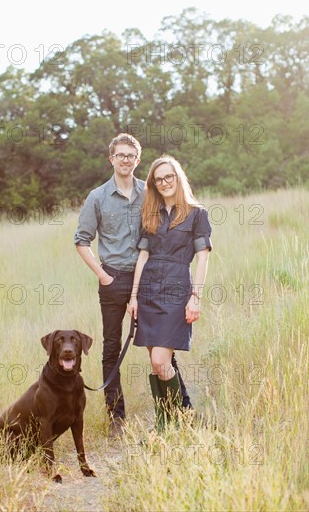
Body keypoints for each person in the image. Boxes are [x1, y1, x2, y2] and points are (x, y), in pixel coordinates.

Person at [74, 134, 192, 437]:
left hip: (149, 279)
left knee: (161, 346)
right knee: (111, 349)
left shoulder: (148, 193)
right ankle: (116, 416)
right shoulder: (97, 197)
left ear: (137, 160)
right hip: (113, 279)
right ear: (111, 158)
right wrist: (103, 275)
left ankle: (181, 409)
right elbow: (81, 241)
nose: (125, 160)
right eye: (120, 155)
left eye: (131, 156)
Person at [127, 155, 212, 432]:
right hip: (148, 291)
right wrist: (134, 297)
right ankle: (165, 425)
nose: (164, 182)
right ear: (153, 183)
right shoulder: (149, 214)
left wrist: (195, 297)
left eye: (168, 177)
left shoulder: (197, 213)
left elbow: (203, 258)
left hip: (177, 291)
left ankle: (175, 422)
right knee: (155, 364)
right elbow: (142, 257)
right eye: (158, 179)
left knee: (160, 361)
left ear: (178, 177)